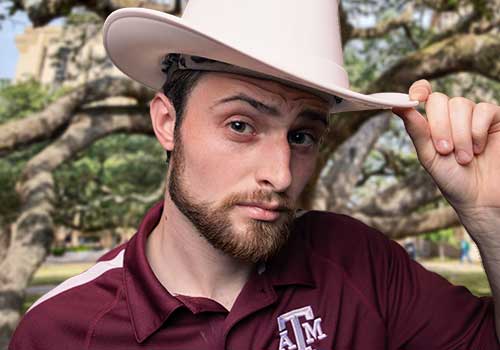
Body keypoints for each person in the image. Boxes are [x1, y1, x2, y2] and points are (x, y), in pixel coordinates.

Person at [9, 1, 500, 349]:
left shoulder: (360, 263)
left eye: (303, 135)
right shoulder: (61, 331)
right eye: (241, 125)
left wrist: (490, 218)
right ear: (167, 122)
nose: (281, 174)